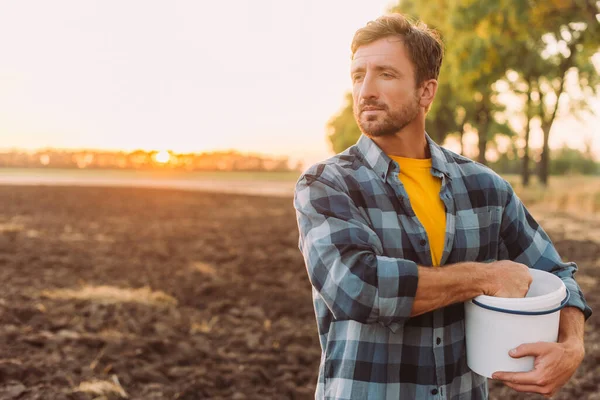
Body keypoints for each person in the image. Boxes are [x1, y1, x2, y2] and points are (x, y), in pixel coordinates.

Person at [293, 13, 591, 400]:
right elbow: (358, 287)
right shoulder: (328, 184)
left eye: (386, 74)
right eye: (357, 75)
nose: (365, 90)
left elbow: (556, 274)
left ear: (426, 92)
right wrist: (485, 277)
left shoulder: (485, 187)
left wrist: (572, 346)